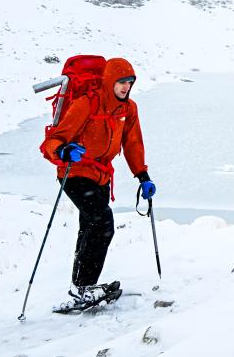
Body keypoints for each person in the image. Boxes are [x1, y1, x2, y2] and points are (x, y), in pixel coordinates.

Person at [41, 57, 155, 312]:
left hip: (101, 176)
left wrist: (142, 176)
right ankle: (83, 286)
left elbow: (133, 144)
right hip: (74, 172)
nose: (126, 87)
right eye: (121, 82)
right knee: (102, 222)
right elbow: (53, 140)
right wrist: (64, 150)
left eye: (130, 82)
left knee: (90, 226)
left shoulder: (128, 109)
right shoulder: (86, 103)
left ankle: (80, 286)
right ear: (108, 81)